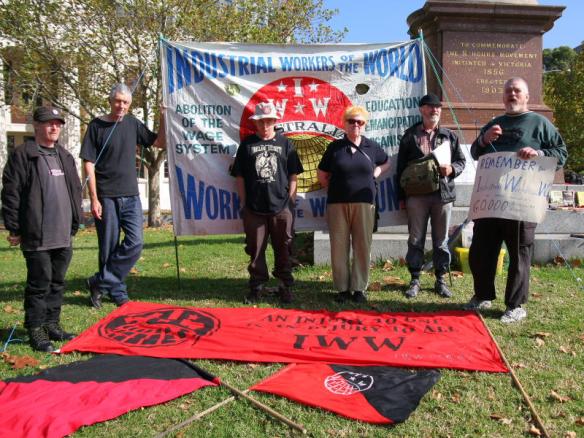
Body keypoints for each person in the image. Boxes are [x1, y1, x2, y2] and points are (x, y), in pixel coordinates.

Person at [466, 77, 567, 323]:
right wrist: (483, 139)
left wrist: (539, 153)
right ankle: (482, 295)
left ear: (526, 96)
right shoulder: (494, 124)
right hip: (491, 200)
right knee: (481, 250)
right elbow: (475, 153)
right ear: (503, 97)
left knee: (519, 253)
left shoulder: (540, 123)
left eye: (517, 91)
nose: (512, 94)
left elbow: (561, 154)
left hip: (522, 203)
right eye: (508, 91)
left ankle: (515, 305)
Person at [1, 106, 82, 352]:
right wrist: (14, 227)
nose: (54, 127)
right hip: (37, 235)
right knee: (39, 283)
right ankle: (35, 328)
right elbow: (11, 193)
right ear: (36, 126)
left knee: (57, 282)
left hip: (63, 233)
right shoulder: (24, 154)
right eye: (49, 123)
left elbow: (75, 189)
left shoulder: (64, 156)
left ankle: (52, 324)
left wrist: (76, 220)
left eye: (58, 123)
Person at [80, 83, 165, 308]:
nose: (121, 106)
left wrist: (164, 117)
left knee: (135, 243)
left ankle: (98, 282)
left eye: (126, 102)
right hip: (106, 197)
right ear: (110, 101)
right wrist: (94, 198)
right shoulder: (96, 126)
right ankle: (116, 292)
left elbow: (159, 142)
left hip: (130, 196)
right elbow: (88, 163)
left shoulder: (132, 124)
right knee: (107, 247)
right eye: (118, 101)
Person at [231, 102, 304, 304]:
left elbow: (293, 174)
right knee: (255, 249)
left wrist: (290, 200)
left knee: (285, 247)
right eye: (261, 122)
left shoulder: (285, 144)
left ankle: (285, 285)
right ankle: (257, 286)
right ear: (256, 123)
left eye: (268, 121)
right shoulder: (247, 145)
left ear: (274, 121)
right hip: (254, 208)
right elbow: (239, 176)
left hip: (281, 207)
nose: (265, 126)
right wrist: (244, 202)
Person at [317, 105, 390, 303]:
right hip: (337, 204)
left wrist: (376, 172)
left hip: (365, 204)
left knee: (362, 245)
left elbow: (386, 162)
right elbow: (322, 173)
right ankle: (342, 288)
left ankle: (359, 288)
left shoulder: (372, 147)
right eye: (352, 121)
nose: (356, 125)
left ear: (364, 125)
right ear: (345, 124)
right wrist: (333, 188)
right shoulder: (334, 147)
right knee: (339, 245)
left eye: (360, 122)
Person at [396, 93, 466, 299]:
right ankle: (415, 279)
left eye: (438, 107)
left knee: (441, 241)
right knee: (415, 239)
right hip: (416, 197)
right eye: (430, 107)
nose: (434, 110)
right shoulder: (409, 136)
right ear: (421, 109)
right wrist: (400, 197)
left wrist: (451, 169)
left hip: (442, 196)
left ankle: (440, 280)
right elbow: (400, 169)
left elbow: (461, 162)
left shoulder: (449, 136)